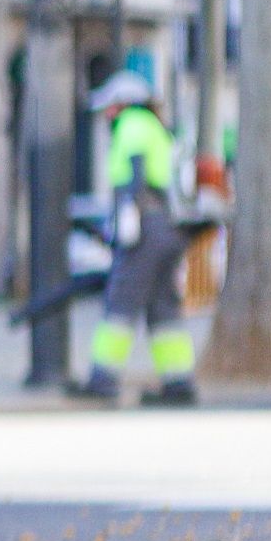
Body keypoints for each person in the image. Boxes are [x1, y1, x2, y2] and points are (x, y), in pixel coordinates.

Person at [72, 70, 197, 405]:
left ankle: (103, 379)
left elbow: (135, 178)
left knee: (121, 301)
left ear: (123, 105)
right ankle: (179, 383)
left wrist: (126, 224)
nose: (107, 115)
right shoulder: (157, 128)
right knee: (163, 309)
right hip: (170, 227)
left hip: (146, 227)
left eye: (111, 107)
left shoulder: (133, 125)